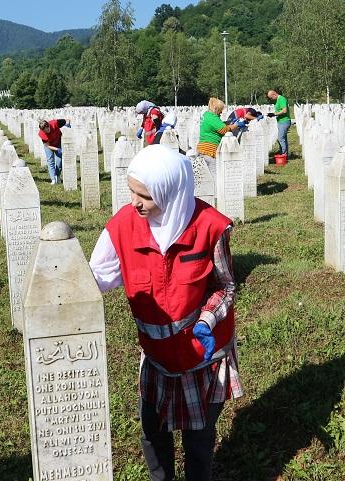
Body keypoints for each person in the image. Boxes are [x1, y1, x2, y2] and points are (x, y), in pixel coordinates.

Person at [89, 145, 242, 481]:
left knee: (198, 437)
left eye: (144, 195)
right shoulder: (121, 228)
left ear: (170, 191)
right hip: (157, 357)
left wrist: (208, 319)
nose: (134, 202)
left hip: (202, 355)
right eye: (131, 191)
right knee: (152, 431)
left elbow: (225, 285)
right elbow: (94, 276)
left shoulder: (209, 227)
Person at [196, 98, 244, 173]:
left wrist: (229, 122)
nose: (221, 112)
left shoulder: (208, 115)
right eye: (220, 110)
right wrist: (236, 125)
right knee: (214, 174)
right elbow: (224, 130)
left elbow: (217, 125)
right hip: (209, 150)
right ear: (216, 109)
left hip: (203, 149)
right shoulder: (212, 118)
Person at [38, 117, 69, 184]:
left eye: (47, 130)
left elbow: (67, 120)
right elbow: (47, 146)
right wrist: (57, 149)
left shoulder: (55, 123)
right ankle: (53, 179)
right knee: (50, 160)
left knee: (59, 161)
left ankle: (57, 176)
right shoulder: (42, 134)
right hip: (49, 145)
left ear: (48, 125)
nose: (47, 132)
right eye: (45, 131)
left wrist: (68, 127)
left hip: (58, 142)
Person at [267, 89, 291, 157]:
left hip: (284, 121)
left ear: (274, 94)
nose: (271, 99)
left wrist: (274, 114)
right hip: (280, 121)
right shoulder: (277, 100)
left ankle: (284, 154)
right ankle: (284, 153)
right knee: (283, 138)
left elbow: (284, 110)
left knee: (280, 138)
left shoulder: (281, 99)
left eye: (271, 98)